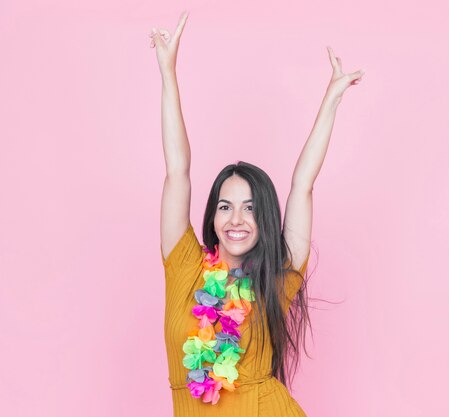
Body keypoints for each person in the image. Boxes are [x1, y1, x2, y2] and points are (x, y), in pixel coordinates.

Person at [149, 11, 364, 416]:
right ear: (212, 216)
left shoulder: (275, 279)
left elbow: (303, 185)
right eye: (226, 207)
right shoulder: (183, 268)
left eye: (250, 209)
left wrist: (332, 99)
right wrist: (168, 73)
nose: (236, 220)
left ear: (264, 219)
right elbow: (177, 171)